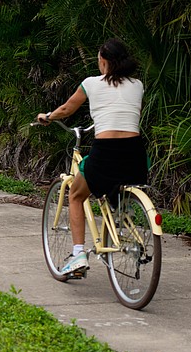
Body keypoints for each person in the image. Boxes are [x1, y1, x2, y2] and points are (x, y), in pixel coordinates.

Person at [36, 38, 148, 277]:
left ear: (105, 62)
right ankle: (122, 210)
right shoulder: (137, 85)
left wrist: (48, 116)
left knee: (75, 195)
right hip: (136, 153)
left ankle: (77, 254)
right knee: (117, 179)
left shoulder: (90, 83)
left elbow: (66, 109)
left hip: (106, 151)